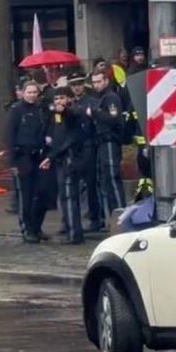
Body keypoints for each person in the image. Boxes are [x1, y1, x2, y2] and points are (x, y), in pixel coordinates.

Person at [7, 80, 52, 244]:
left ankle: (37, 227)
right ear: (23, 93)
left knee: (42, 193)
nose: (32, 95)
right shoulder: (16, 110)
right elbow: (10, 136)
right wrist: (12, 163)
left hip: (38, 157)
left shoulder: (41, 109)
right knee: (25, 196)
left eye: (35, 92)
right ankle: (27, 229)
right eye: (29, 92)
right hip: (22, 157)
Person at [47, 87, 84, 244]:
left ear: (69, 98)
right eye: (56, 99)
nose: (59, 102)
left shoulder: (73, 112)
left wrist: (65, 110)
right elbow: (57, 136)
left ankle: (74, 234)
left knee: (69, 197)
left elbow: (73, 116)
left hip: (70, 159)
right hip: (60, 159)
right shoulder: (57, 116)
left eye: (62, 98)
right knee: (64, 197)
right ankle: (70, 229)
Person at [89, 70, 126, 216]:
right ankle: (114, 213)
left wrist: (94, 113)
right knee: (105, 181)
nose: (96, 85)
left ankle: (120, 214)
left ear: (105, 81)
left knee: (112, 177)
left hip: (110, 140)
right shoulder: (100, 98)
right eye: (94, 82)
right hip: (101, 142)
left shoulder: (111, 98)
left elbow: (114, 118)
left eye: (99, 82)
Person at [69, 74, 104, 232]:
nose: (77, 87)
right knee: (74, 186)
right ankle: (73, 221)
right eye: (73, 85)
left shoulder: (92, 101)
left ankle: (95, 218)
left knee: (91, 184)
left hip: (89, 145)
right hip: (73, 148)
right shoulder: (68, 102)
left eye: (79, 84)